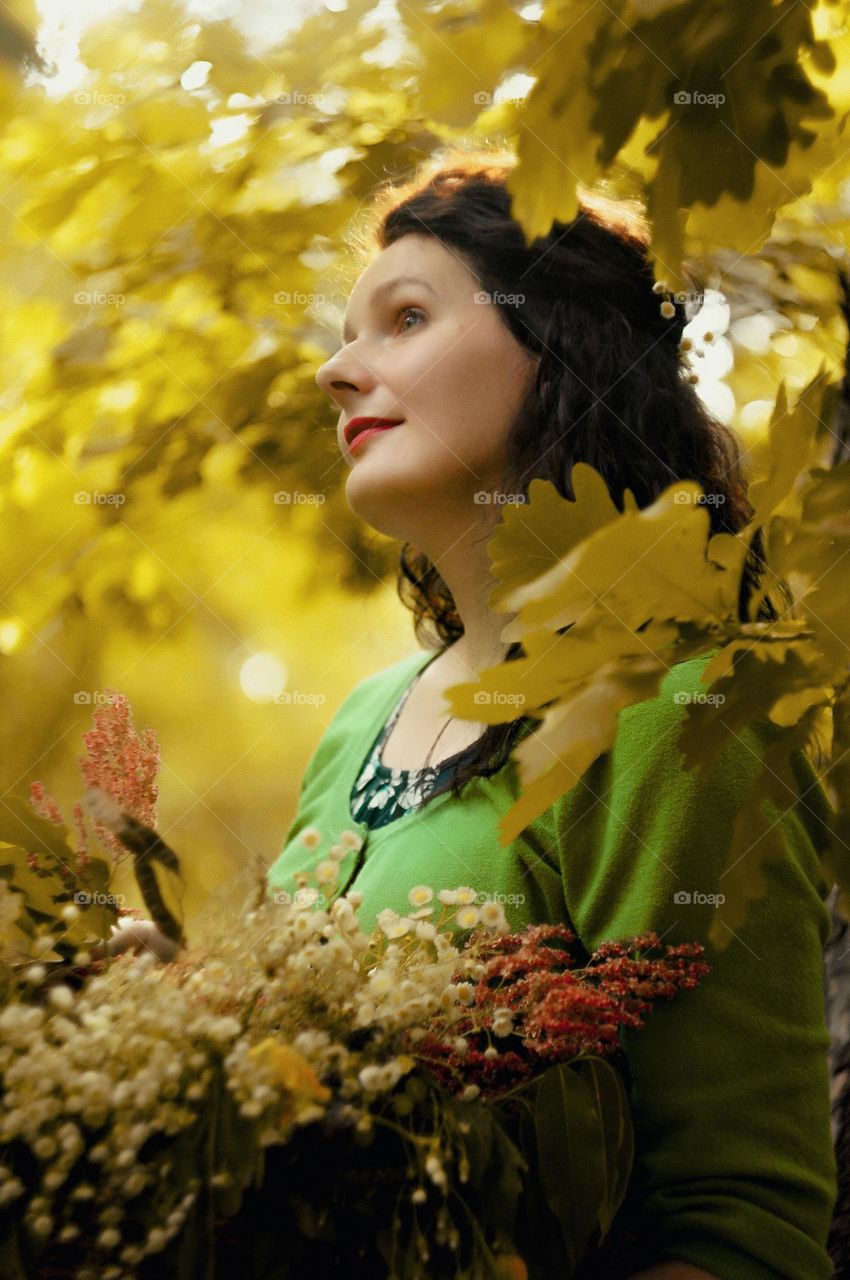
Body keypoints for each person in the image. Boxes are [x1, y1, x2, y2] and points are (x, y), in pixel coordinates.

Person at [148, 148, 840, 1278]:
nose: (336, 370)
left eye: (405, 316)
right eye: (345, 331)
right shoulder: (359, 721)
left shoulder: (678, 713)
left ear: (559, 345)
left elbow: (743, 1230)